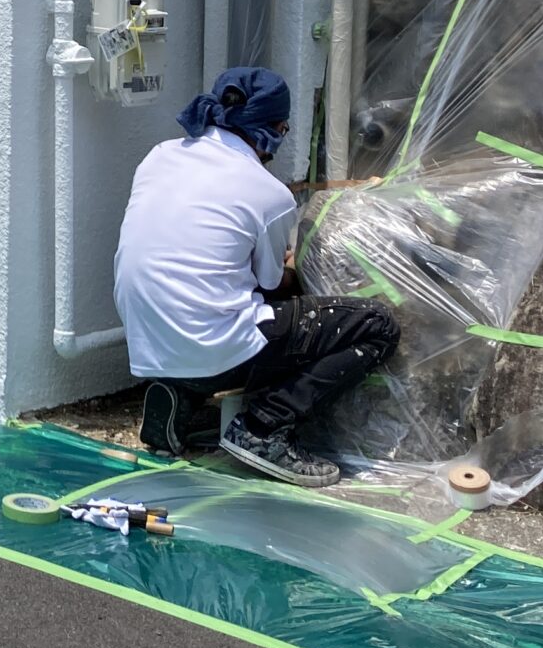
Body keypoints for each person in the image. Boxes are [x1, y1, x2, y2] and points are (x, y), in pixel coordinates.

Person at [111, 66, 398, 488]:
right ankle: (264, 427)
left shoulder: (160, 155)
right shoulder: (268, 193)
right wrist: (298, 269)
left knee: (218, 304)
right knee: (376, 325)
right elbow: (272, 284)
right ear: (276, 129)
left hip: (149, 346)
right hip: (210, 346)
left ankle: (181, 395)